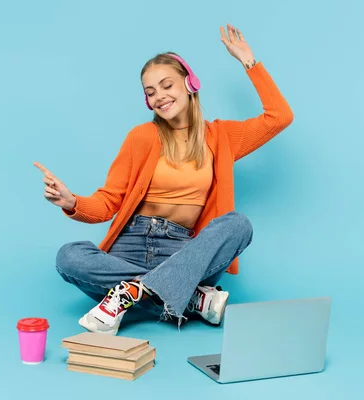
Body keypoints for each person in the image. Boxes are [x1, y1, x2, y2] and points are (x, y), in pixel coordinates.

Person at [34, 23, 294, 335]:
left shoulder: (221, 136)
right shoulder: (142, 136)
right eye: (150, 92)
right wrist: (72, 201)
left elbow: (280, 116)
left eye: (166, 85)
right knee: (69, 256)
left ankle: (132, 294)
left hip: (184, 251)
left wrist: (248, 61)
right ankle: (187, 297)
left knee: (238, 225)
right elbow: (107, 203)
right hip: (128, 246)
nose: (159, 96)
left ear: (189, 83)